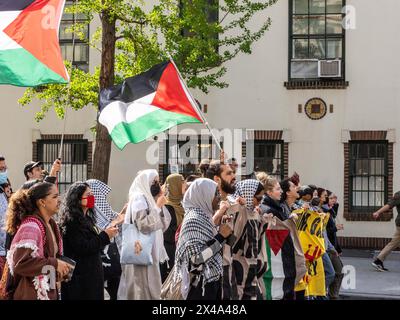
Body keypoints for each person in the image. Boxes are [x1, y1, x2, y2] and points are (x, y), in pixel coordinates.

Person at [5, 182, 71, 300]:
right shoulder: (31, 226)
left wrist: (59, 272)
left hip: (48, 293)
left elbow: (48, 261)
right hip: (30, 293)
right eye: (55, 197)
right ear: (42, 202)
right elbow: (21, 264)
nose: (59, 200)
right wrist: (55, 264)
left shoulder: (52, 225)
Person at [174, 178, 232, 300]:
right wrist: (220, 236)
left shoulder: (205, 218)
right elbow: (195, 260)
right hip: (199, 288)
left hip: (208, 284)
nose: (219, 198)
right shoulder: (194, 220)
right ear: (204, 195)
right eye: (215, 194)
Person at [117, 169, 171, 300]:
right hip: (140, 252)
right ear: (146, 183)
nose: (157, 185)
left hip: (149, 253)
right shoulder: (139, 198)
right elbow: (143, 225)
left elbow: (162, 225)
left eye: (158, 182)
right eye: (154, 181)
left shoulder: (149, 199)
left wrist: (159, 205)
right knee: (143, 290)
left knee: (151, 289)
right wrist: (157, 207)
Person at [60, 182, 119, 300]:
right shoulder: (72, 221)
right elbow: (84, 247)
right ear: (77, 198)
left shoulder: (87, 218)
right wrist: (105, 236)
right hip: (80, 277)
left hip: (91, 273)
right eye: (88, 194)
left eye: (92, 193)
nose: (92, 197)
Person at [86, 179, 127, 300]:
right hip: (101, 262)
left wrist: (121, 215)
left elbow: (111, 222)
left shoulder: (103, 210)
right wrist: (121, 217)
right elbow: (106, 228)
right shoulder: (89, 214)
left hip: (111, 262)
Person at [230, 179, 265, 300]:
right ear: (248, 194)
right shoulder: (233, 212)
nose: (259, 203)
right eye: (258, 198)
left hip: (251, 270)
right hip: (238, 270)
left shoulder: (253, 213)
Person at [160, 173, 186, 282]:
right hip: (168, 253)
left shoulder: (181, 205)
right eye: (182, 182)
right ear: (175, 186)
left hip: (178, 250)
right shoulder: (165, 207)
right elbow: (166, 233)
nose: (185, 184)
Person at [372, 191, 400, 271]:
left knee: (394, 243)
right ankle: (378, 261)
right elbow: (389, 205)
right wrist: (378, 212)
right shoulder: (399, 195)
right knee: (394, 243)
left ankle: (378, 260)